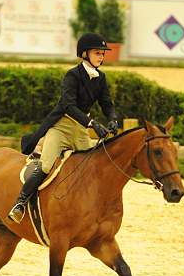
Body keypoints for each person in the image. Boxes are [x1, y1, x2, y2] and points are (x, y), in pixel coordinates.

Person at [7, 32, 119, 223]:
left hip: (80, 131)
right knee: (47, 165)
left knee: (93, 167)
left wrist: (113, 119)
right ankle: (20, 203)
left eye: (102, 53)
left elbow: (107, 103)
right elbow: (68, 105)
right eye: (97, 53)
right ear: (84, 54)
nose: (101, 56)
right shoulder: (72, 75)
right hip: (61, 127)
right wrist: (92, 123)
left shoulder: (101, 77)